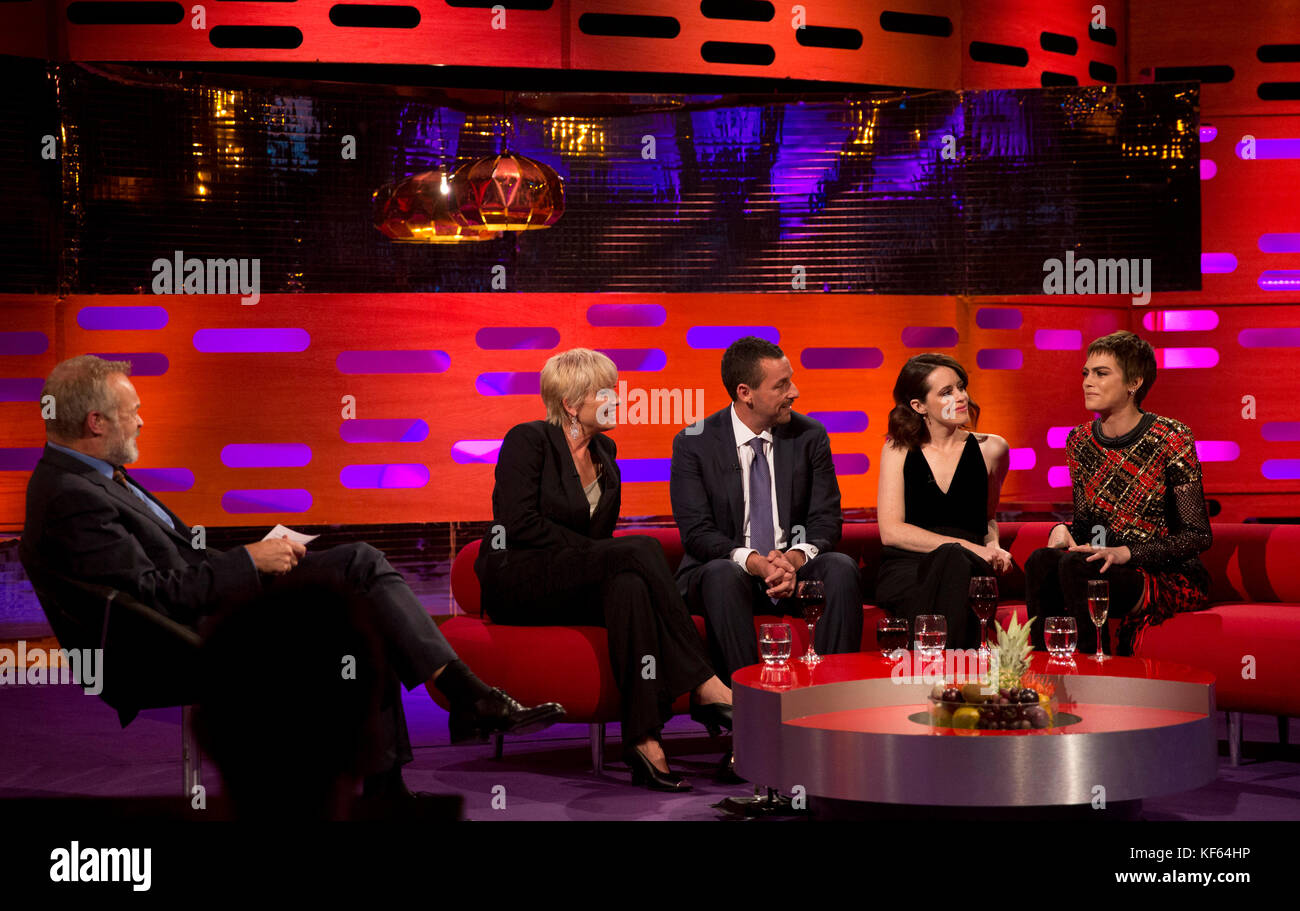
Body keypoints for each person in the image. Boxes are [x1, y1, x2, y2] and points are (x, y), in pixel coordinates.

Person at [19, 355, 565, 801]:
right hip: (172, 643)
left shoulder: (92, 479)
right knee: (357, 594)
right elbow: (150, 595)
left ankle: (401, 768)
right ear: (97, 422)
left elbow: (173, 565)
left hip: (201, 610)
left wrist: (258, 554)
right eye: (133, 411)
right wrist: (250, 563)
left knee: (358, 573)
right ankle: (452, 710)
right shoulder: (72, 496)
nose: (142, 421)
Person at [475, 348, 732, 792]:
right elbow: (518, 524)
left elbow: (601, 545)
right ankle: (704, 681)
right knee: (638, 551)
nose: (619, 399)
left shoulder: (606, 453)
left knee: (629, 585)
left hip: (572, 578)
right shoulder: (529, 439)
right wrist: (599, 554)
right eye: (606, 392)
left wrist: (602, 556)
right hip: (519, 579)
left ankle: (644, 740)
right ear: (573, 404)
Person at [670, 336, 863, 683]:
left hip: (791, 570)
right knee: (721, 575)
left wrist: (794, 560)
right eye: (782, 385)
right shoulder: (694, 442)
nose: (795, 392)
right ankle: (742, 706)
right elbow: (697, 532)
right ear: (745, 392)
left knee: (840, 568)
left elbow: (826, 519)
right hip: (729, 570)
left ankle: (833, 695)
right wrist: (755, 562)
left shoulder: (809, 435)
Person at [1024, 331, 1212, 655]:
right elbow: (1088, 529)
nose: (1087, 382)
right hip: (1105, 567)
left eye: (1101, 373)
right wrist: (1063, 530)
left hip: (1163, 575)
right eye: (1085, 373)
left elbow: (1197, 536)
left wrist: (1126, 553)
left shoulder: (1170, 437)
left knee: (1076, 568)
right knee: (1041, 560)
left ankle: (1094, 675)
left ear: (1133, 383)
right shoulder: (1079, 441)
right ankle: (1046, 674)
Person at [874, 354, 1012, 650]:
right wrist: (967, 547)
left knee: (956, 565)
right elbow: (891, 531)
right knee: (951, 558)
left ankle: (927, 668)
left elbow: (986, 518)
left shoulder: (993, 449)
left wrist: (993, 546)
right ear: (918, 406)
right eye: (947, 392)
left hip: (970, 566)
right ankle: (957, 670)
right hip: (910, 566)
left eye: (961, 387)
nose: (961, 397)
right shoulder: (898, 449)